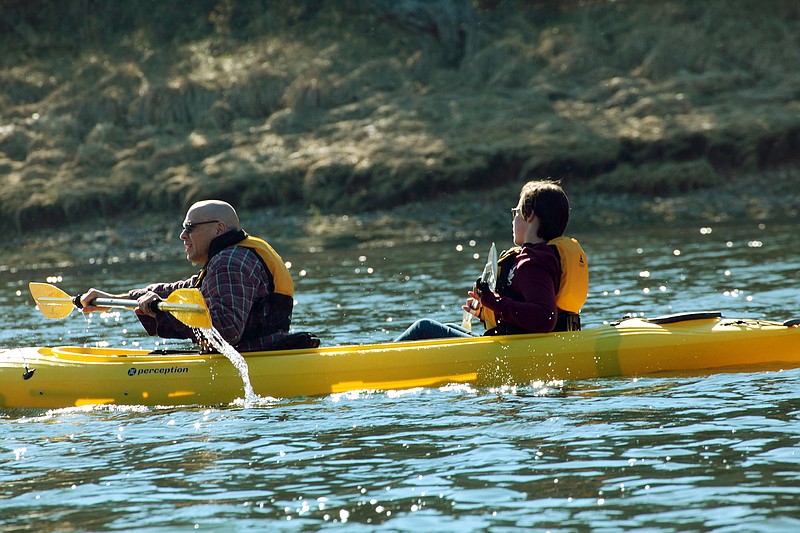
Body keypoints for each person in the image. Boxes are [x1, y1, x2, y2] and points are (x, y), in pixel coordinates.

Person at [79, 200, 301, 352]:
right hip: (262, 353)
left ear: (219, 229)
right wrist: (113, 300)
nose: (182, 235)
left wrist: (162, 313)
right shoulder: (232, 258)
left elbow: (227, 331)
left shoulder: (228, 262)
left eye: (190, 227)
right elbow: (180, 290)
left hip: (254, 359)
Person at [393, 179, 588, 342]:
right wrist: (487, 310)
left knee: (423, 328)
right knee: (449, 327)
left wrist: (492, 300)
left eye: (516, 212)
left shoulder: (531, 263)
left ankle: (376, 364)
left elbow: (544, 318)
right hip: (523, 345)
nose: (514, 219)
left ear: (529, 215)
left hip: (516, 353)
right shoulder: (543, 258)